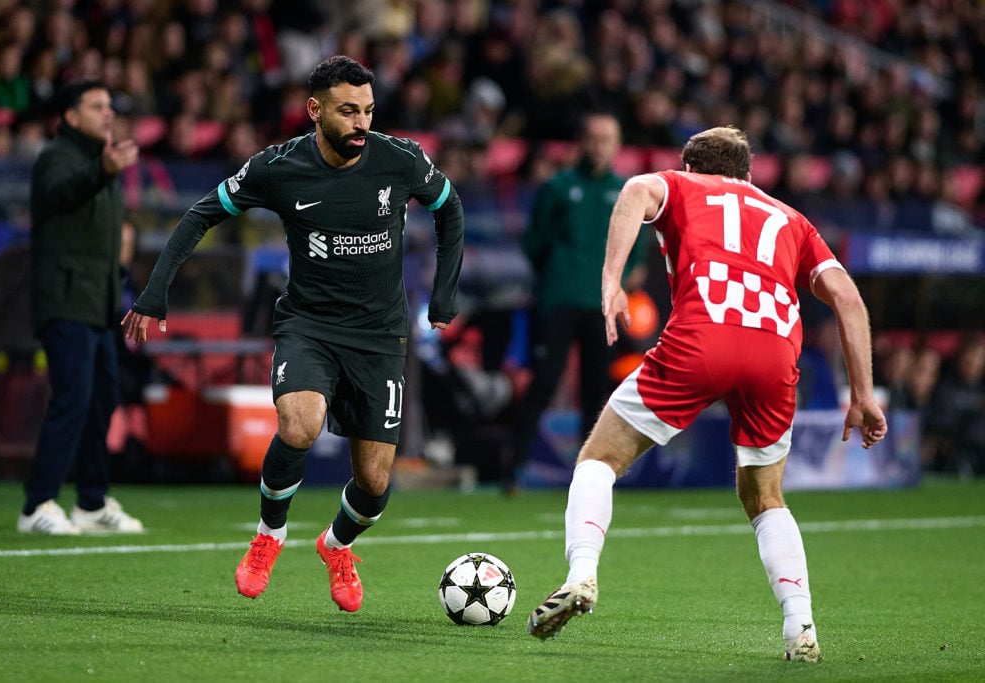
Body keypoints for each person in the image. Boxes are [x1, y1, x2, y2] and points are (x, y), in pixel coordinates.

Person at [526, 127, 888, 663]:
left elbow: (633, 192)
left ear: (692, 168)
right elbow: (848, 299)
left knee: (599, 458)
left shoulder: (684, 186)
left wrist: (611, 279)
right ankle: (800, 625)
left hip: (702, 338)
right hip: (773, 355)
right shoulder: (792, 218)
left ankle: (581, 575)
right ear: (748, 173)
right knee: (765, 499)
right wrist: (861, 394)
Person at [122, 56, 464, 612]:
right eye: (348, 111)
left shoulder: (400, 159)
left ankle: (336, 545)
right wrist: (155, 290)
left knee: (375, 485)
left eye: (369, 111)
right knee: (299, 425)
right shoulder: (278, 168)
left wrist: (445, 292)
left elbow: (450, 209)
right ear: (315, 110)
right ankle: (268, 535)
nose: (361, 123)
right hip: (310, 325)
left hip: (380, 337)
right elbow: (200, 215)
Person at [19, 79, 143, 535]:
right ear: (70, 116)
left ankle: (90, 503)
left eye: (109, 106)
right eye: (96, 106)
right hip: (66, 300)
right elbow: (61, 193)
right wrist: (103, 171)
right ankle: (37, 503)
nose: (107, 113)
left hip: (99, 304)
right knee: (71, 400)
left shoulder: (99, 162)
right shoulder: (57, 158)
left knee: (102, 399)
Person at [502, 111, 647, 493]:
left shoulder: (626, 191)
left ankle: (590, 476)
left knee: (596, 389)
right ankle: (512, 467)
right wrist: (558, 275)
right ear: (582, 142)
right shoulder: (559, 187)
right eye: (594, 138)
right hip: (561, 299)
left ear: (617, 146)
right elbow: (535, 242)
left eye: (607, 139)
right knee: (545, 380)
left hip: (601, 304)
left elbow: (638, 246)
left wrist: (621, 276)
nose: (600, 146)